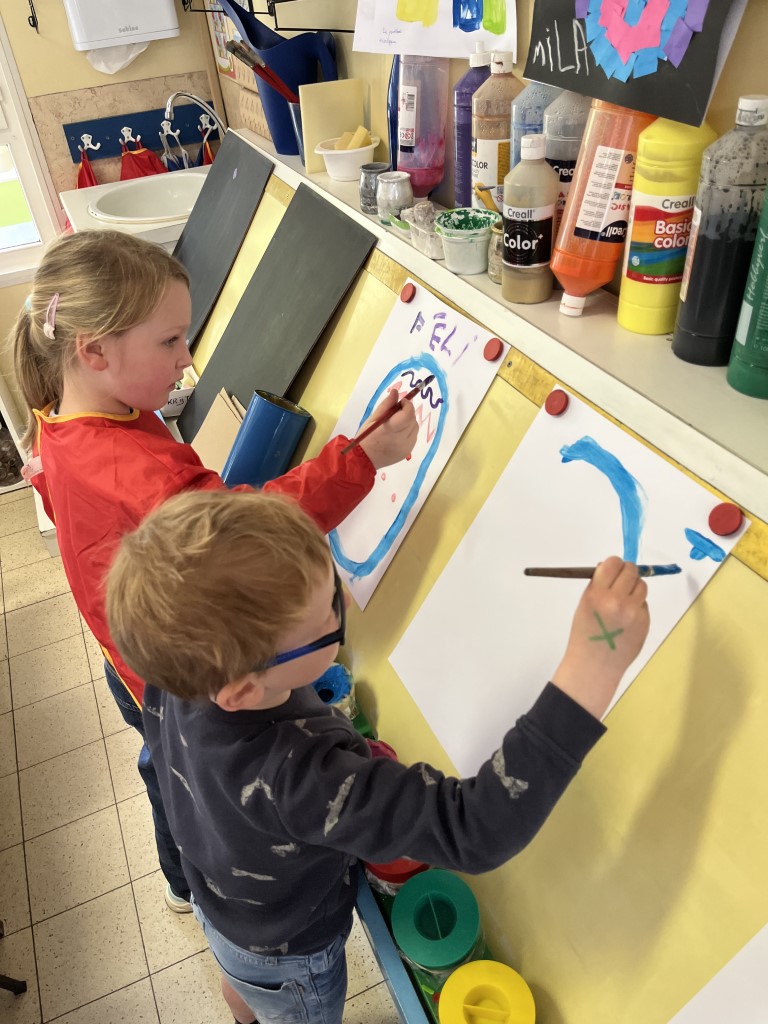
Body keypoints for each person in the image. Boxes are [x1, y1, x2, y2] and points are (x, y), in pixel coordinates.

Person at [105, 487, 650, 1024]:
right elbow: (474, 829)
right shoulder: (303, 777)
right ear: (245, 688)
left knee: (242, 985)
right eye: (328, 614)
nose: (343, 600)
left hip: (219, 905)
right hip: (291, 953)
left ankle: (245, 1008)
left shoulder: (176, 678)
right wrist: (593, 665)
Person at [10, 230, 418, 914]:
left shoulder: (65, 414)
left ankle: (180, 879)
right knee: (185, 778)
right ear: (94, 350)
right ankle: (194, 884)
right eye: (170, 341)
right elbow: (252, 533)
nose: (187, 358)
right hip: (173, 678)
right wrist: (364, 459)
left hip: (127, 655)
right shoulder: (139, 468)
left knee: (163, 766)